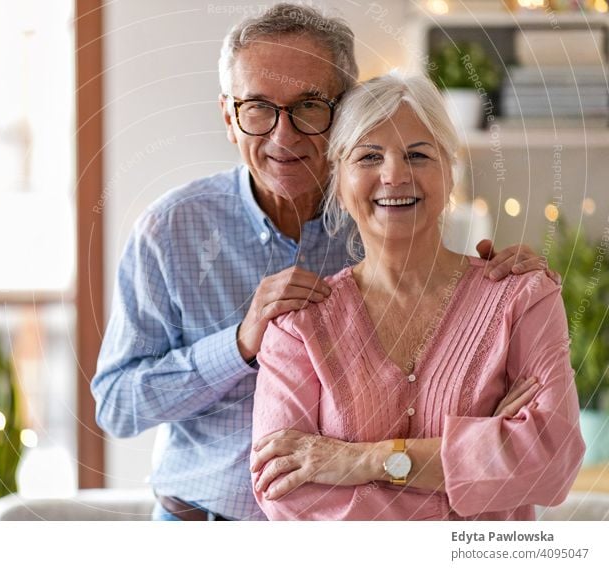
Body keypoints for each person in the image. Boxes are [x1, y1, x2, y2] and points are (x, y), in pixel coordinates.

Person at [91, 3, 554, 522]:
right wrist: (240, 344)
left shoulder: (390, 210)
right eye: (257, 108)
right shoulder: (169, 231)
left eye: (309, 106)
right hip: (202, 524)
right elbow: (117, 407)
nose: (282, 136)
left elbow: (479, 402)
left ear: (346, 112)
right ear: (229, 116)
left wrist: (509, 296)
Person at [250, 72, 585, 520]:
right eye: (369, 156)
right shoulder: (298, 325)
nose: (394, 174)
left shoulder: (523, 297)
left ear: (449, 173)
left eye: (418, 155)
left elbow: (553, 463)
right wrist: (476, 456)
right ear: (339, 179)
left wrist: (359, 461)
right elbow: (283, 493)